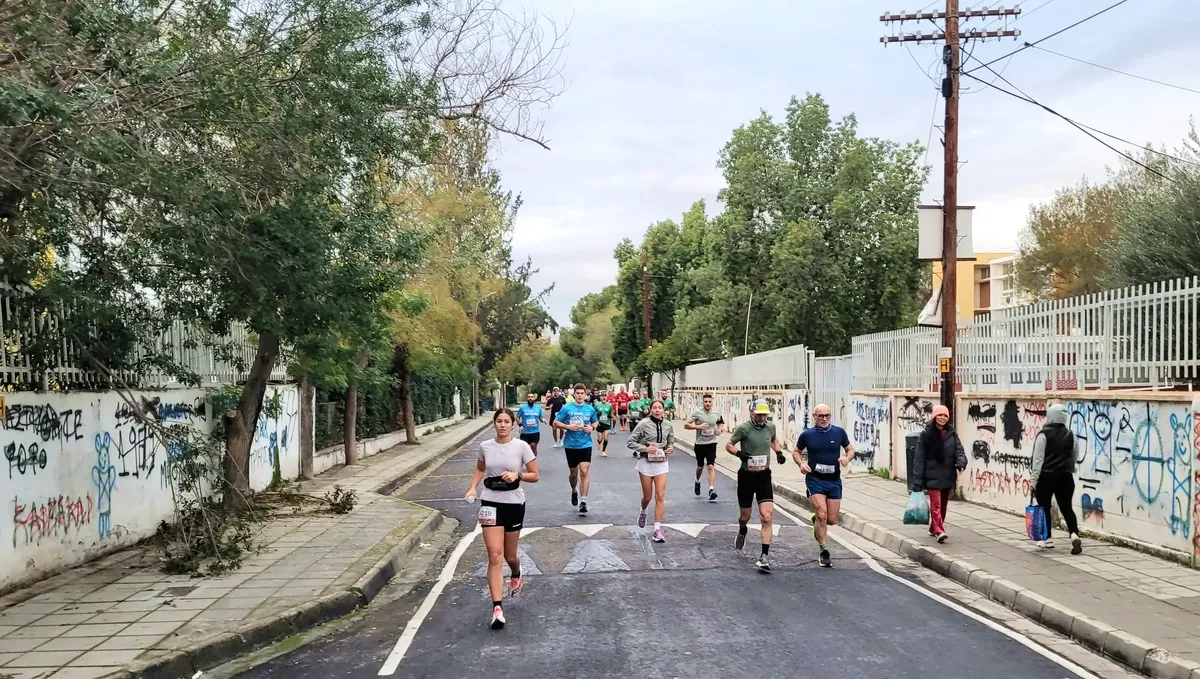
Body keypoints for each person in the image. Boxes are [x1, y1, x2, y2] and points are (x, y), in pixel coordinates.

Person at [464, 408, 539, 630]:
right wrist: (471, 489)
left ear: (513, 424)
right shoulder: (485, 447)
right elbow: (479, 469)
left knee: (509, 555)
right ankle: (497, 608)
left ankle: (516, 572)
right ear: (494, 423)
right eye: (499, 421)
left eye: (507, 421)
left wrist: (518, 475)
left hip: (514, 503)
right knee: (494, 555)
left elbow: (535, 475)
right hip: (490, 503)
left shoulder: (521, 447)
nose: (503, 425)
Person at [726, 401, 786, 572]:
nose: (762, 417)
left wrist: (779, 452)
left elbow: (773, 440)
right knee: (745, 515)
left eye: (764, 414)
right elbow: (729, 445)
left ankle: (764, 556)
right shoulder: (744, 428)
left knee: (766, 517)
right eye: (759, 414)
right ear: (752, 412)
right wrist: (739, 454)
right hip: (746, 477)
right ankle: (742, 529)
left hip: (764, 476)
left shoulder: (770, 426)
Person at [793, 403, 854, 568]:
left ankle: (817, 521)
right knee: (822, 514)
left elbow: (850, 449)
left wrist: (847, 459)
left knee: (832, 520)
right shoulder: (807, 435)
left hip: (834, 480)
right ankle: (823, 550)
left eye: (827, 415)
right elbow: (796, 452)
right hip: (815, 480)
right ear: (814, 416)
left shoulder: (838, 432)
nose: (825, 419)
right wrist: (801, 464)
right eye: (821, 416)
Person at [911, 404, 967, 543]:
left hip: (947, 475)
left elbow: (959, 451)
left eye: (945, 416)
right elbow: (919, 458)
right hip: (931, 476)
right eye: (940, 415)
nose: (942, 418)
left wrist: (961, 463)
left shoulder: (952, 434)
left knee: (943, 506)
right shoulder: (926, 435)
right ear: (934, 416)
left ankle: (933, 527)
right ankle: (939, 530)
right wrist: (917, 481)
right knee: (936, 504)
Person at [1031, 404, 1082, 554]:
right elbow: (1075, 455)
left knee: (1044, 507)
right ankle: (1074, 534)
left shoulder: (1043, 434)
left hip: (1046, 476)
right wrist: (1068, 467)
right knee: (1066, 507)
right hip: (1066, 476)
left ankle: (1047, 539)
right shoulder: (1071, 434)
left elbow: (1038, 460)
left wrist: (1033, 481)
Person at [628, 399, 674, 543]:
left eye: (660, 408)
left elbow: (671, 440)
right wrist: (645, 449)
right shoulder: (643, 424)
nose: (657, 410)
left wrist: (670, 448)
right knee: (647, 497)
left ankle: (657, 530)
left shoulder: (668, 425)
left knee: (660, 495)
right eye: (654, 408)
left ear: (663, 410)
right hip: (645, 462)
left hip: (661, 462)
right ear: (650, 409)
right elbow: (630, 442)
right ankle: (643, 511)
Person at [553, 383, 599, 514]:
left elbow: (595, 421)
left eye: (582, 394)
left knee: (584, 472)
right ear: (574, 394)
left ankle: (583, 501)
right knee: (574, 474)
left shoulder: (590, 409)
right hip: (571, 445)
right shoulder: (567, 408)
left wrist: (592, 428)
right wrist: (568, 427)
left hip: (586, 444)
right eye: (577, 393)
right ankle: (574, 490)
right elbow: (555, 423)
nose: (579, 396)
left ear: (585, 395)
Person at [684, 393, 723, 501]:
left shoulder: (716, 412)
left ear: (712, 402)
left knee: (710, 466)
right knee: (700, 467)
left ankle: (711, 490)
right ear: (703, 402)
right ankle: (697, 480)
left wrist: (720, 430)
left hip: (712, 443)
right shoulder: (697, 413)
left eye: (709, 402)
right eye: (705, 402)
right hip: (700, 444)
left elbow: (720, 423)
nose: (707, 404)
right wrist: (698, 426)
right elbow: (686, 424)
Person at [627, 389, 645, 456]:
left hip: (639, 421)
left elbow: (646, 411)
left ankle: (638, 449)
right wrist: (628, 415)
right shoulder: (630, 403)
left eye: (637, 393)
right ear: (633, 395)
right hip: (632, 420)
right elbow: (628, 410)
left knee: (640, 435)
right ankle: (635, 449)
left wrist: (642, 410)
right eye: (635, 393)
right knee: (633, 435)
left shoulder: (642, 403)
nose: (636, 394)